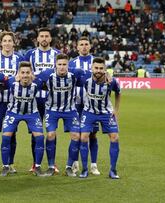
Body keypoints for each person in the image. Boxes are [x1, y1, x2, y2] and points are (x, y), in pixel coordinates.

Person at [37, 54, 84, 176]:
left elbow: (91, 74)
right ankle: (51, 166)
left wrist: (107, 75)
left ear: (68, 65)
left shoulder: (75, 73)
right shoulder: (47, 74)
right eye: (59, 65)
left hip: (70, 110)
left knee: (75, 136)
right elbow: (34, 79)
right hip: (52, 110)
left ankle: (69, 166)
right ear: (55, 65)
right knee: (51, 135)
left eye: (64, 65)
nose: (62, 67)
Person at [0, 61, 46, 177]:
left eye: (27, 73)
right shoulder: (11, 82)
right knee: (5, 138)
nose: (25, 75)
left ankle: (37, 167)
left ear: (32, 74)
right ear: (18, 74)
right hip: (13, 113)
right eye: (22, 73)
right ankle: (6, 166)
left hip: (32, 113)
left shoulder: (38, 83)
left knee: (40, 138)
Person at [24, 27, 60, 172]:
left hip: (52, 99)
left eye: (47, 36)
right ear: (37, 39)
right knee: (35, 132)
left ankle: (52, 163)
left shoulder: (57, 55)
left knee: (52, 132)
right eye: (42, 36)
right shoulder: (29, 54)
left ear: (50, 39)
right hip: (34, 99)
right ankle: (35, 163)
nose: (44, 39)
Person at [78, 57, 121, 179]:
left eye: (101, 68)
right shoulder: (85, 78)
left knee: (115, 137)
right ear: (91, 68)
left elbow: (118, 93)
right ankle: (85, 169)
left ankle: (113, 170)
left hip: (106, 113)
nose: (98, 70)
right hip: (89, 112)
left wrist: (116, 110)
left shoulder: (111, 81)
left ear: (105, 69)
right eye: (96, 68)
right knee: (84, 137)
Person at [0, 31, 25, 173]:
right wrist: (9, 81)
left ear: (14, 42)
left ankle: (10, 163)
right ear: (1, 43)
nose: (7, 43)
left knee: (11, 134)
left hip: (13, 102)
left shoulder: (20, 59)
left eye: (10, 40)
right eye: (5, 40)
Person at [69, 36, 101, 176]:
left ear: (90, 46)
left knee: (92, 135)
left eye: (86, 44)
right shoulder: (71, 63)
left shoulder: (96, 63)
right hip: (75, 105)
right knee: (75, 135)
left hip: (92, 106)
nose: (83, 47)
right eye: (81, 44)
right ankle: (74, 163)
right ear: (77, 47)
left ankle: (93, 165)